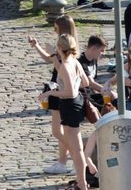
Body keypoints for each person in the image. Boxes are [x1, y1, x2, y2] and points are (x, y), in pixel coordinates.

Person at [32, 33, 90, 190]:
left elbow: (69, 92)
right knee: (75, 146)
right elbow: (85, 82)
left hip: (70, 105)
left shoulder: (65, 66)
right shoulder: (75, 61)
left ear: (59, 48)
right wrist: (66, 85)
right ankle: (83, 178)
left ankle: (83, 183)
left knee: (76, 149)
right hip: (77, 103)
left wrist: (50, 92)